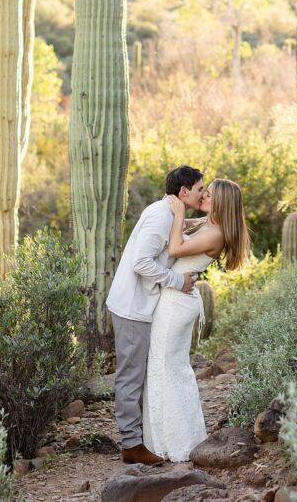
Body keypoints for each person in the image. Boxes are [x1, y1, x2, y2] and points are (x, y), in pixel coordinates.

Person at [142, 178, 251, 462]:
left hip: (176, 304)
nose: (202, 195)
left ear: (221, 202)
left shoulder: (215, 233)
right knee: (168, 367)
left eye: (208, 194)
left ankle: (175, 443)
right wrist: (178, 212)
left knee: (167, 368)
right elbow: (184, 227)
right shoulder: (209, 225)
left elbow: (176, 248)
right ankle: (165, 439)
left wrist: (178, 213)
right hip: (176, 300)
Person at [106, 165, 205, 466]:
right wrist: (177, 281)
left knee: (136, 372)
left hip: (139, 305)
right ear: (184, 191)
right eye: (200, 189)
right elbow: (141, 262)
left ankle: (136, 438)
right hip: (133, 307)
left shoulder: (168, 213)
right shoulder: (162, 216)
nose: (203, 194)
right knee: (131, 375)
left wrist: (199, 223)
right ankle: (131, 444)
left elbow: (173, 234)